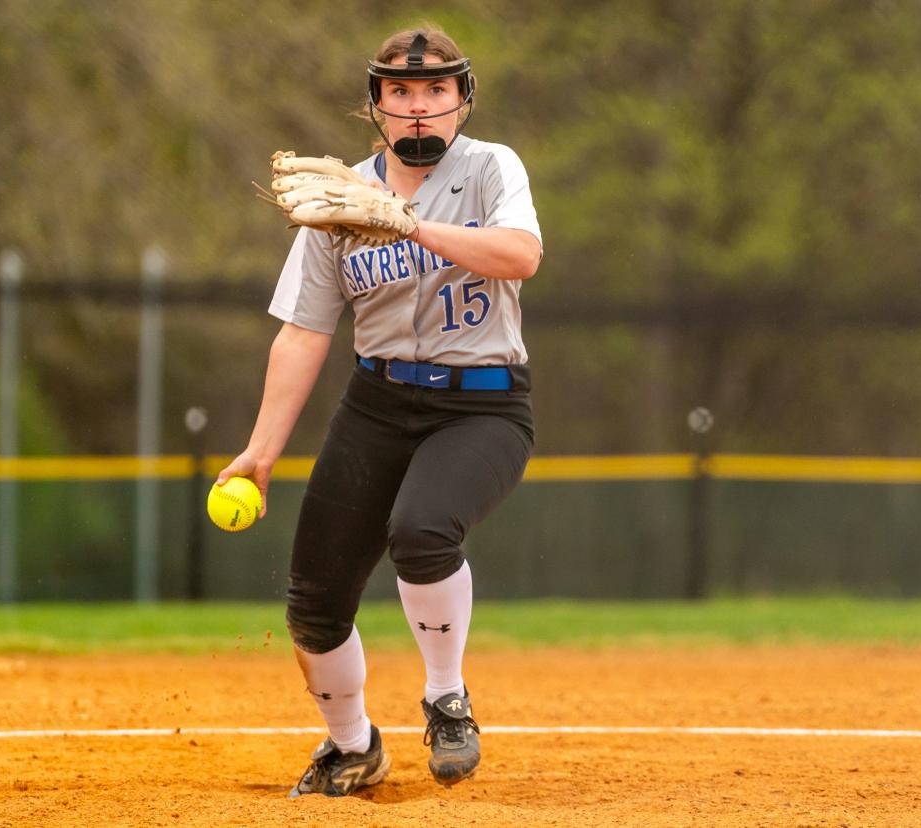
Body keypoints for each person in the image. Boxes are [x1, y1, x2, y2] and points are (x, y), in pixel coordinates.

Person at [216, 25, 543, 798]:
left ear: (463, 100)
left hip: (484, 406)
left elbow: (522, 255)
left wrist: (411, 225)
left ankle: (445, 698)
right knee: (314, 602)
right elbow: (302, 332)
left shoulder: (492, 168)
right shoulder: (341, 198)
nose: (420, 109)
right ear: (377, 106)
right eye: (401, 92)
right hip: (377, 402)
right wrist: (261, 452)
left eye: (437, 91)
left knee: (422, 530)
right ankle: (351, 746)